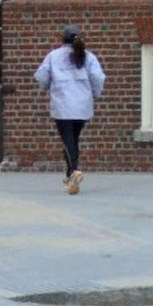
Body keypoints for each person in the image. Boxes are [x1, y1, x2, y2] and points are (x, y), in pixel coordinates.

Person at [33, 26, 104, 192]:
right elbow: (98, 77)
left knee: (67, 140)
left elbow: (41, 76)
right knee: (74, 139)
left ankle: (74, 171)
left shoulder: (53, 56)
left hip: (63, 103)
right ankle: (69, 176)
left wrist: (47, 87)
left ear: (62, 39)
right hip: (83, 104)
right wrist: (94, 93)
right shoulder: (89, 57)